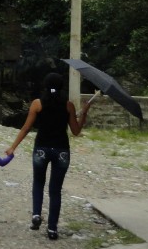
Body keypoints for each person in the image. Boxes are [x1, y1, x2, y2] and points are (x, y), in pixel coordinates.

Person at [6, 72, 94, 240]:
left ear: (45, 86)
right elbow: (75, 132)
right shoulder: (68, 106)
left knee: (38, 182)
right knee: (55, 190)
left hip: (41, 149)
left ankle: (37, 214)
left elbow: (25, 128)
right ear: (62, 87)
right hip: (61, 151)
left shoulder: (37, 104)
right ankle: (52, 229)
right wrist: (84, 113)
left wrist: (12, 147)